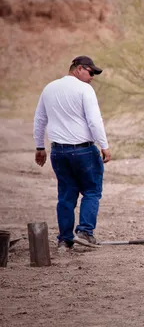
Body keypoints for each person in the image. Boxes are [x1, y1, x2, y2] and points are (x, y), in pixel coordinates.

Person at [33, 56, 111, 249]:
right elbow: (94, 120)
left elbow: (40, 119)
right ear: (79, 69)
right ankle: (84, 232)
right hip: (83, 150)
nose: (92, 77)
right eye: (91, 72)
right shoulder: (84, 89)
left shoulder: (49, 88)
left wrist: (40, 147)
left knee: (66, 195)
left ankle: (65, 239)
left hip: (58, 151)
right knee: (92, 191)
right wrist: (104, 145)